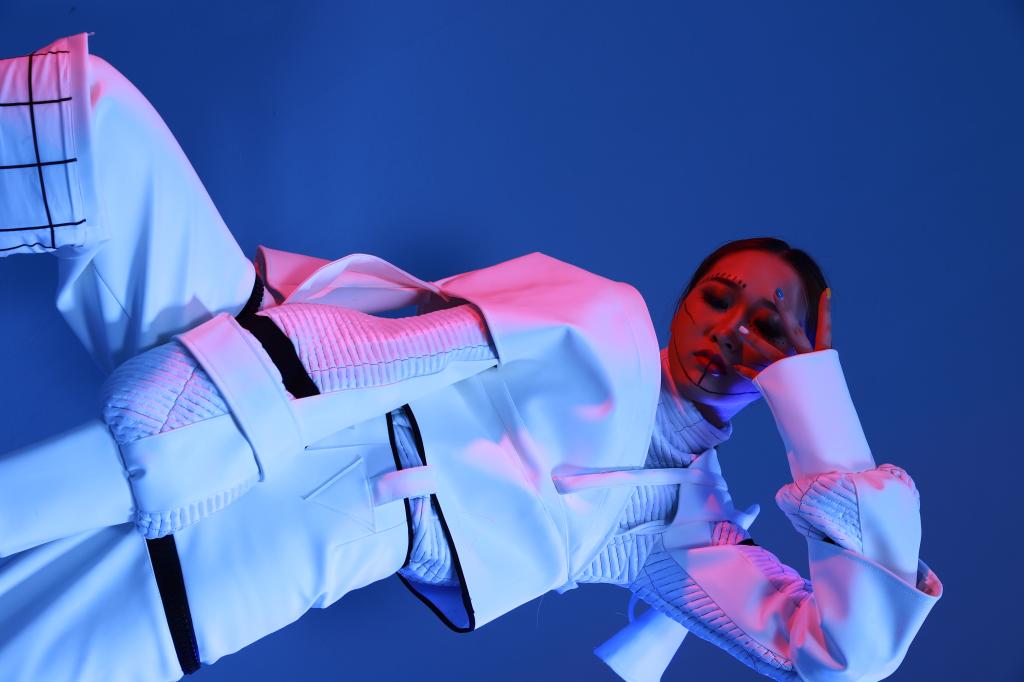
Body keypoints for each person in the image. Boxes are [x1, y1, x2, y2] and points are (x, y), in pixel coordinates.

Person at [0, 34, 942, 682]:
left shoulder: (678, 526)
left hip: (271, 553)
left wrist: (823, 415)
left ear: (798, 362)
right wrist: (238, 387)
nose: (733, 331)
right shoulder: (605, 320)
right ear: (683, 302)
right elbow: (413, 348)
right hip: (259, 377)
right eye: (720, 299)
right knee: (87, 120)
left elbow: (840, 657)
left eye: (770, 328)